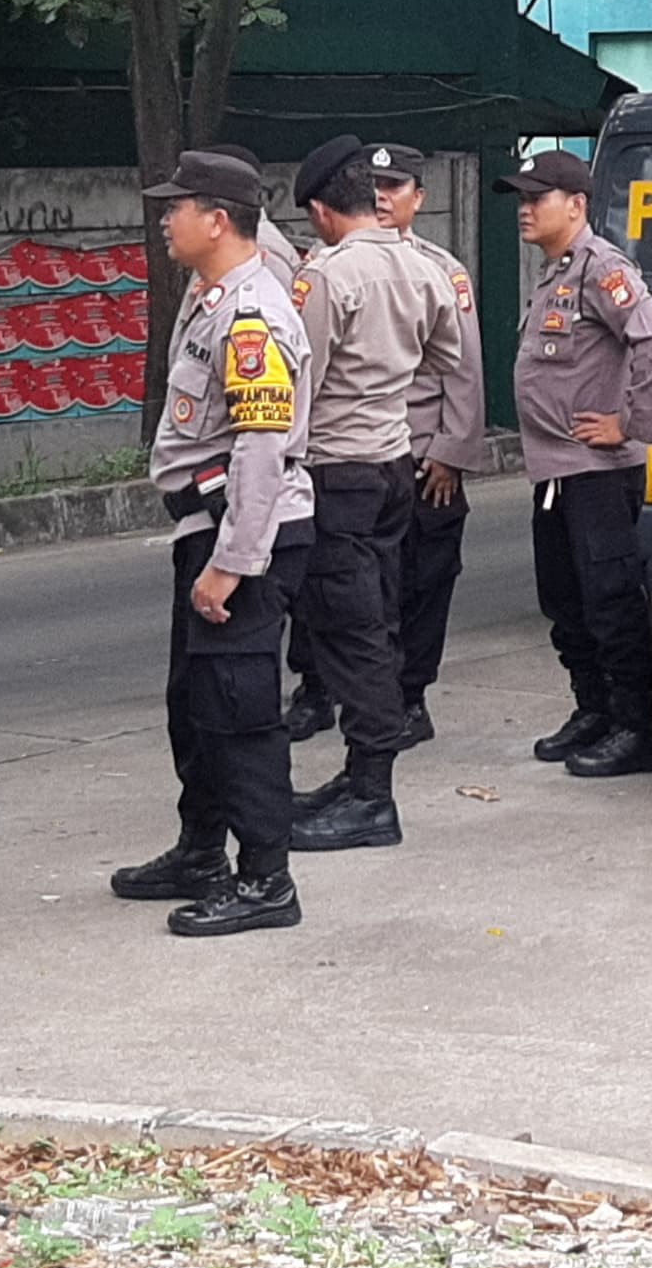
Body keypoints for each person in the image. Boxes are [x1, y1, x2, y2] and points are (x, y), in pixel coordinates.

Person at [115, 146, 316, 936]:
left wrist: (232, 566)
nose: (165, 219)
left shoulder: (253, 316)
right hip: (210, 526)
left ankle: (266, 878)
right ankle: (202, 848)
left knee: (240, 712)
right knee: (194, 705)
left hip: (245, 535)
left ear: (218, 219)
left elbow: (264, 448)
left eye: (177, 207)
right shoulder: (209, 296)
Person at [284, 135, 468, 852]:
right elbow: (448, 357)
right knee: (378, 620)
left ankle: (371, 793)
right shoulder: (425, 268)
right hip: (394, 457)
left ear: (325, 210)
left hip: (338, 468)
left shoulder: (329, 276)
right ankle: (360, 777)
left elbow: (302, 376)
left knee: (351, 629)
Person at [503, 147, 652, 777]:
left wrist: (631, 424)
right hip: (556, 470)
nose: (524, 211)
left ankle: (636, 728)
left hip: (597, 471)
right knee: (565, 598)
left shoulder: (601, 268)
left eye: (536, 199)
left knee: (610, 599)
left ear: (575, 206)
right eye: (521, 200)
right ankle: (594, 710)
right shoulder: (555, 271)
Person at [367, 144, 489, 744]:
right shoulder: (335, 263)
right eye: (374, 186)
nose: (383, 198)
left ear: (420, 198)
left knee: (422, 583)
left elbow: (463, 370)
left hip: (420, 457)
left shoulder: (443, 271)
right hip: (357, 457)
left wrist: (451, 452)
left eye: (395, 187)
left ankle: (410, 698)